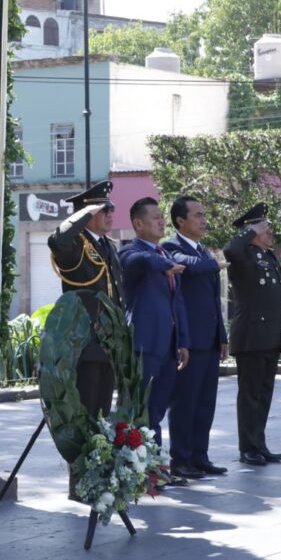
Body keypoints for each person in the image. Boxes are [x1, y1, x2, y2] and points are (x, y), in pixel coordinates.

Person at [119, 197, 190, 484]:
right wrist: (163, 263)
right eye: (156, 217)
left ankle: (155, 469)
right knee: (141, 411)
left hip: (169, 346)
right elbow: (138, 261)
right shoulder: (130, 252)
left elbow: (178, 303)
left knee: (156, 411)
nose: (162, 221)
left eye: (162, 217)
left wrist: (183, 341)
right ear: (138, 223)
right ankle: (142, 471)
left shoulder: (163, 257)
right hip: (144, 346)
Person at [162, 197, 229, 478]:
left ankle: (200, 456)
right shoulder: (170, 248)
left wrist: (222, 335)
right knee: (185, 403)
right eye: (198, 215)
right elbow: (192, 268)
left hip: (210, 340)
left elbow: (215, 300)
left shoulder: (203, 251)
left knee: (205, 403)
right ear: (180, 221)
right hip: (188, 341)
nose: (204, 220)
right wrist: (219, 261)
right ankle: (181, 459)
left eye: (204, 214)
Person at [47, 180, 124, 420]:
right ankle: (81, 459)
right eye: (103, 210)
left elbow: (116, 294)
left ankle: (96, 458)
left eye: (111, 209)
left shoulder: (108, 245)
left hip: (108, 341)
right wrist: (84, 213)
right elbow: (57, 240)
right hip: (84, 341)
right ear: (86, 213)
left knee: (101, 412)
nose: (110, 214)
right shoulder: (75, 245)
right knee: (85, 409)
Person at [224, 203, 281, 466]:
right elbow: (230, 249)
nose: (269, 231)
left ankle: (259, 444)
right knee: (249, 396)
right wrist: (249, 232)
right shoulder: (244, 254)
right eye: (264, 227)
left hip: (270, 336)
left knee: (263, 394)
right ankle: (247, 447)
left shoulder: (269, 256)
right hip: (251, 336)